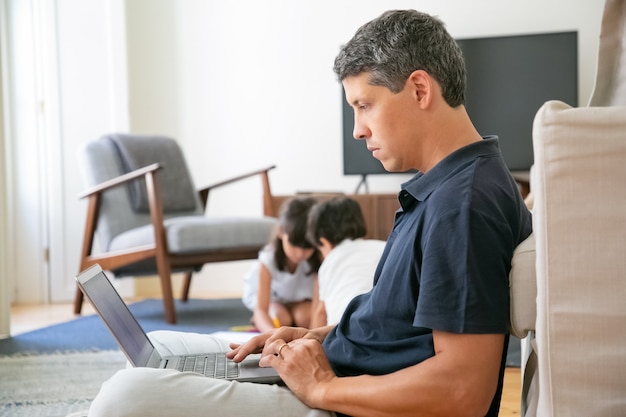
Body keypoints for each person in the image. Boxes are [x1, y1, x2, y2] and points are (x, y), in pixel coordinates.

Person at [89, 9, 532, 417]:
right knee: (160, 348)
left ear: (419, 89)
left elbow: (463, 391)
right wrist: (311, 338)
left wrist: (319, 387)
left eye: (364, 105)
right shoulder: (447, 186)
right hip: (336, 379)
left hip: (342, 402)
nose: (358, 129)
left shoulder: (464, 204)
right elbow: (395, 327)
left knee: (125, 397)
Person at [242, 197, 322, 332]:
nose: (300, 253)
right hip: (273, 300)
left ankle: (292, 319)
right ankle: (261, 320)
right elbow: (261, 309)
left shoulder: (318, 259)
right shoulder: (268, 258)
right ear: (280, 232)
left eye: (308, 247)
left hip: (301, 300)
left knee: (305, 317)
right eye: (294, 245)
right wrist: (272, 335)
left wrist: (314, 337)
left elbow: (318, 307)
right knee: (280, 319)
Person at [306, 196, 386, 327]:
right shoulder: (384, 247)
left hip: (345, 335)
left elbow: (321, 314)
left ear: (324, 242)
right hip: (388, 329)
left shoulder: (329, 264)